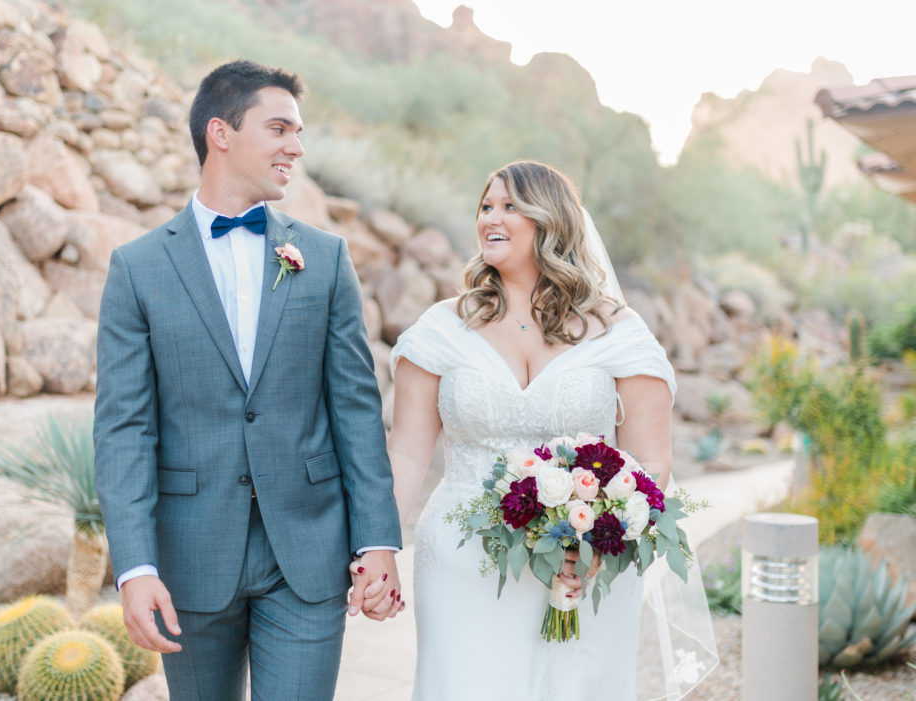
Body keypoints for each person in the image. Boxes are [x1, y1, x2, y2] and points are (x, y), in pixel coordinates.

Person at [93, 59, 403, 701]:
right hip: (190, 556)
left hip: (309, 553)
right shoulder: (137, 268)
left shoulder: (324, 258)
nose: (297, 146)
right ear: (221, 133)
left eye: (299, 131)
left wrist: (377, 541)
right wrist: (134, 567)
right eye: (280, 128)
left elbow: (355, 409)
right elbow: (124, 428)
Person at [383, 161, 717, 699]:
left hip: (581, 570)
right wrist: (378, 551)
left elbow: (650, 465)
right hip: (462, 564)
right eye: (485, 207)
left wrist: (596, 544)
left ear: (551, 221)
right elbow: (405, 453)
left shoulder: (618, 333)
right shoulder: (442, 330)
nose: (491, 217)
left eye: (509, 206)